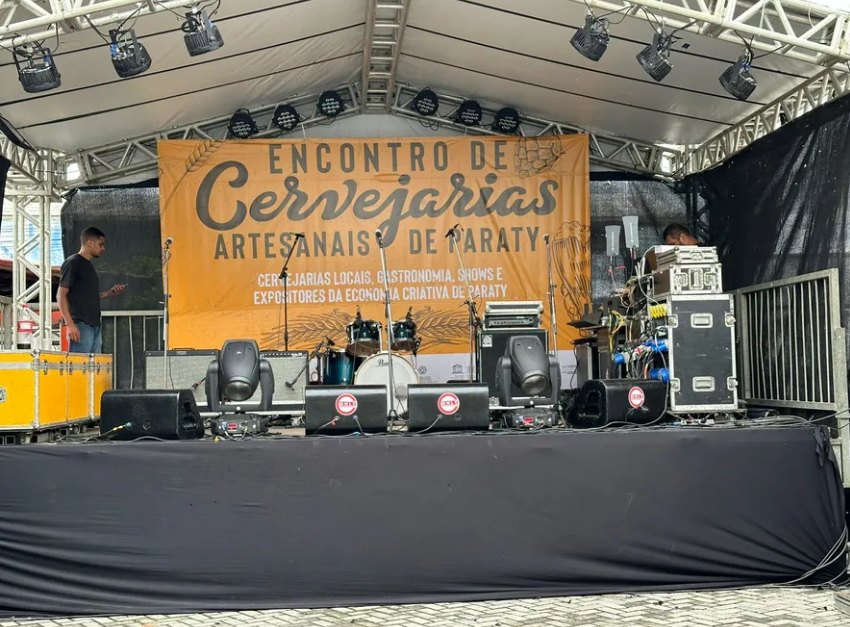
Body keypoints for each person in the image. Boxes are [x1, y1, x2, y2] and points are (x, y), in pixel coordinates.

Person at [58, 227, 125, 354]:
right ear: (90, 242)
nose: (103, 248)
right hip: (81, 324)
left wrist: (109, 293)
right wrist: (70, 325)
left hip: (94, 325)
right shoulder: (73, 263)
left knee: (94, 364)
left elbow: (87, 295)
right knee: (80, 364)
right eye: (101, 244)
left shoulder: (88, 265)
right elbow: (61, 295)